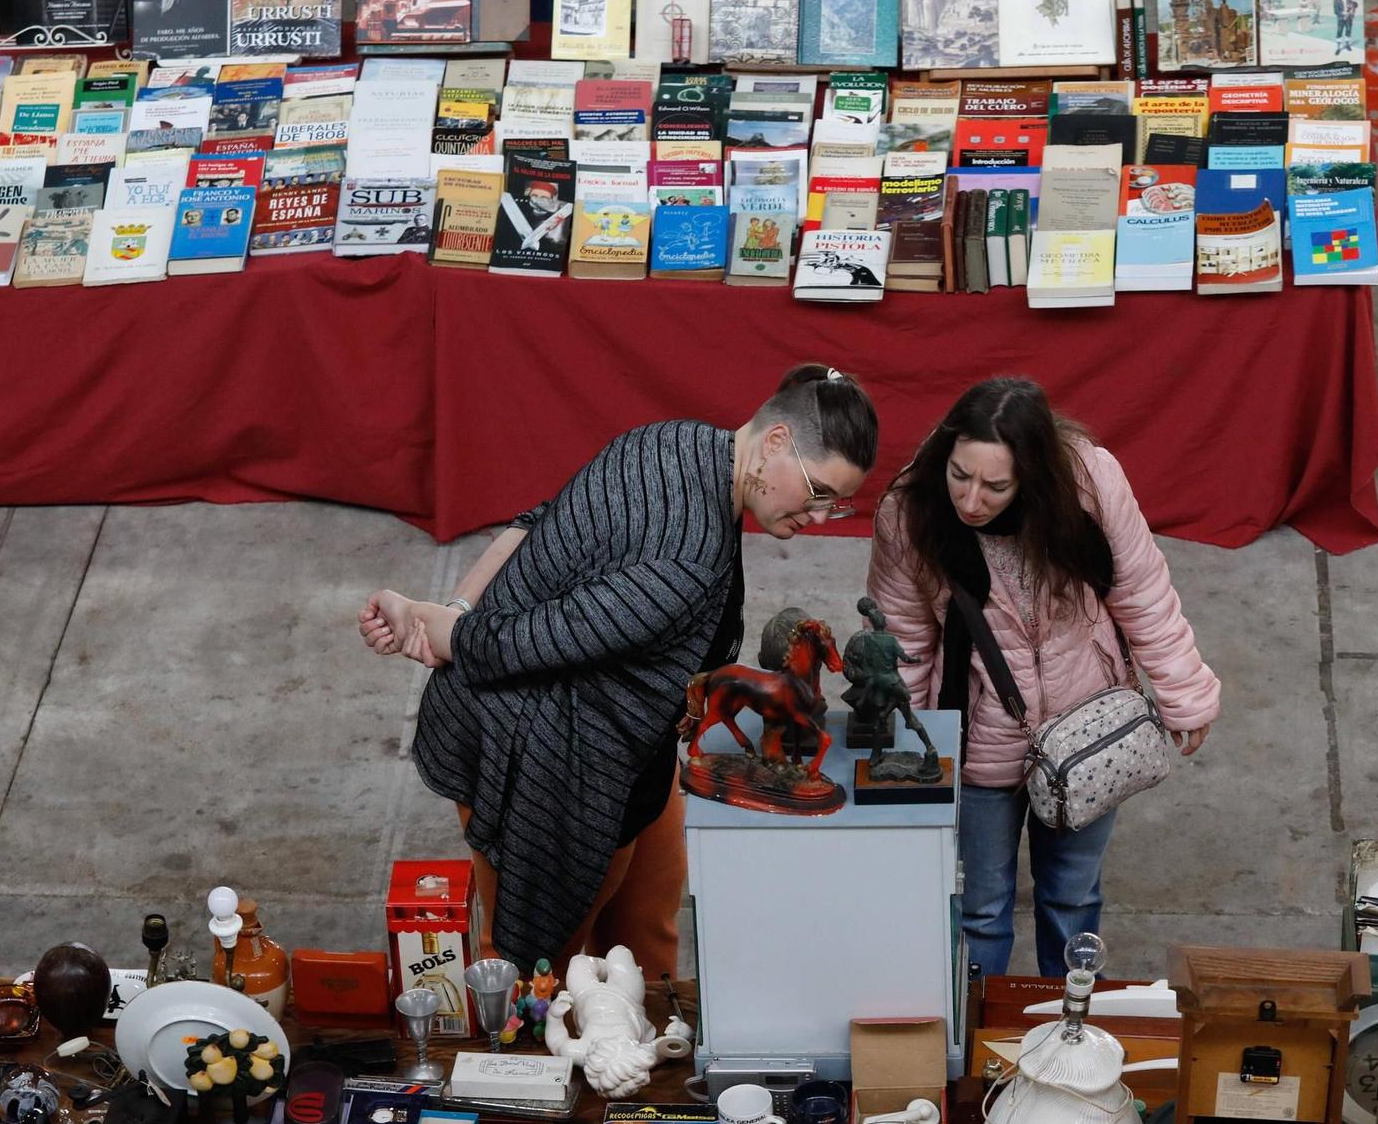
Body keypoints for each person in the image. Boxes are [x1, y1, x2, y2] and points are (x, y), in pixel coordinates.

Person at [359, 365, 878, 972]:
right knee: (540, 973)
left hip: (636, 750)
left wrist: (447, 612)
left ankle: (645, 1020)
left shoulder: (675, 440)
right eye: (818, 492)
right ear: (776, 441)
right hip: (548, 763)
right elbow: (528, 641)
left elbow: (537, 521)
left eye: (836, 503)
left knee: (646, 943)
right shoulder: (685, 560)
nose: (821, 517)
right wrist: (441, 627)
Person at [867, 378, 1221, 978]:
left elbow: (1142, 590)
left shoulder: (1090, 482)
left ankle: (1072, 1023)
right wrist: (908, 751)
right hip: (980, 741)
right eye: (960, 475)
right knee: (979, 910)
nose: (971, 500)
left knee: (1073, 899)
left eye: (995, 486)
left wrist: (1183, 691)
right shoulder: (910, 512)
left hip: (1088, 734)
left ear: (1032, 475)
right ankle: (978, 1027)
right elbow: (903, 641)